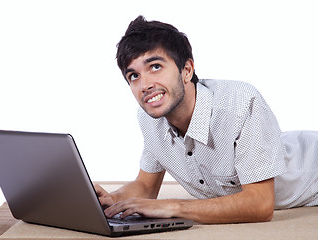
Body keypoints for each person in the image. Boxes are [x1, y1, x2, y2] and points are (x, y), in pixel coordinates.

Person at [95, 15, 318, 224]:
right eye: (134, 75)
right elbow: (145, 186)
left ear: (187, 70)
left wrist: (172, 207)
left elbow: (260, 204)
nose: (144, 85)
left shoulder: (240, 103)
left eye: (155, 67)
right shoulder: (150, 119)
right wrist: (112, 201)